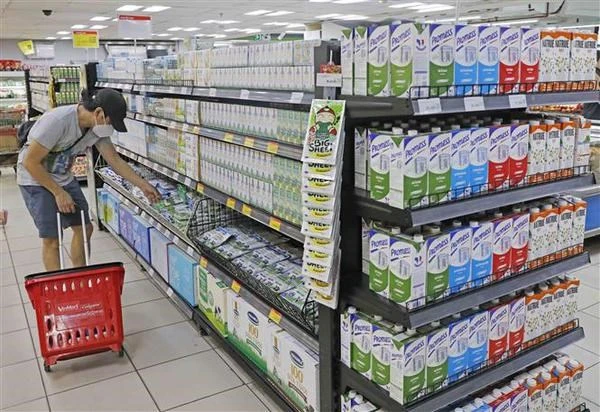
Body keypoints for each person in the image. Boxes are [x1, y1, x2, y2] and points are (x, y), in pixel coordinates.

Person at [17, 88, 160, 271]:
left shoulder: (96, 129)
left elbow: (114, 160)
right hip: (35, 178)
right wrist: (58, 193)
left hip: (63, 177)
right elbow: (31, 162)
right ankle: (57, 287)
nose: (110, 128)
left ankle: (80, 275)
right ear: (99, 113)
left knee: (85, 228)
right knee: (52, 238)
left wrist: (143, 185)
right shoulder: (58, 121)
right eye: (110, 122)